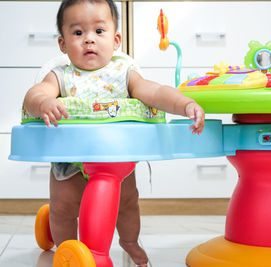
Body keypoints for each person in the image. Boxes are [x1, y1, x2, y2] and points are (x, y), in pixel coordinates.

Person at [22, 0, 205, 266]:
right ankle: (68, 250)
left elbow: (155, 92)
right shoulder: (61, 76)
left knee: (128, 204)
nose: (89, 40)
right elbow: (34, 95)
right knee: (63, 208)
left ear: (116, 39)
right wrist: (44, 102)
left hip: (117, 158)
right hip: (70, 161)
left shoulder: (124, 73)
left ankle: (129, 241)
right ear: (62, 44)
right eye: (77, 33)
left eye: (99, 31)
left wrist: (185, 104)